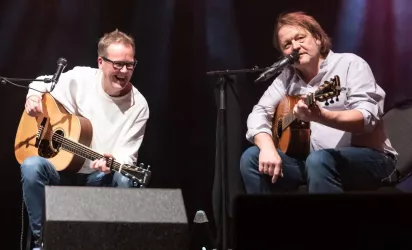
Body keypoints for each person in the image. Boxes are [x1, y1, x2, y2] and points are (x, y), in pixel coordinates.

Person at [239, 11, 398, 194]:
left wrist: (321, 116)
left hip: (370, 159)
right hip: (312, 163)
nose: (295, 47)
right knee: (251, 157)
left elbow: (366, 118)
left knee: (319, 160)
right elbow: (258, 113)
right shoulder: (286, 78)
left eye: (300, 38)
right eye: (287, 44)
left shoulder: (349, 64)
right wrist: (267, 148)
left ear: (318, 39)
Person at [20, 29, 149, 249]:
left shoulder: (139, 106)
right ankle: (45, 241)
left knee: (127, 178)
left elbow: (127, 156)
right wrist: (32, 97)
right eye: (118, 64)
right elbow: (41, 83)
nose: (124, 71)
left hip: (97, 178)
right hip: (59, 171)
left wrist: (112, 161)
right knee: (32, 165)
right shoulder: (81, 78)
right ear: (101, 62)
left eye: (130, 65)